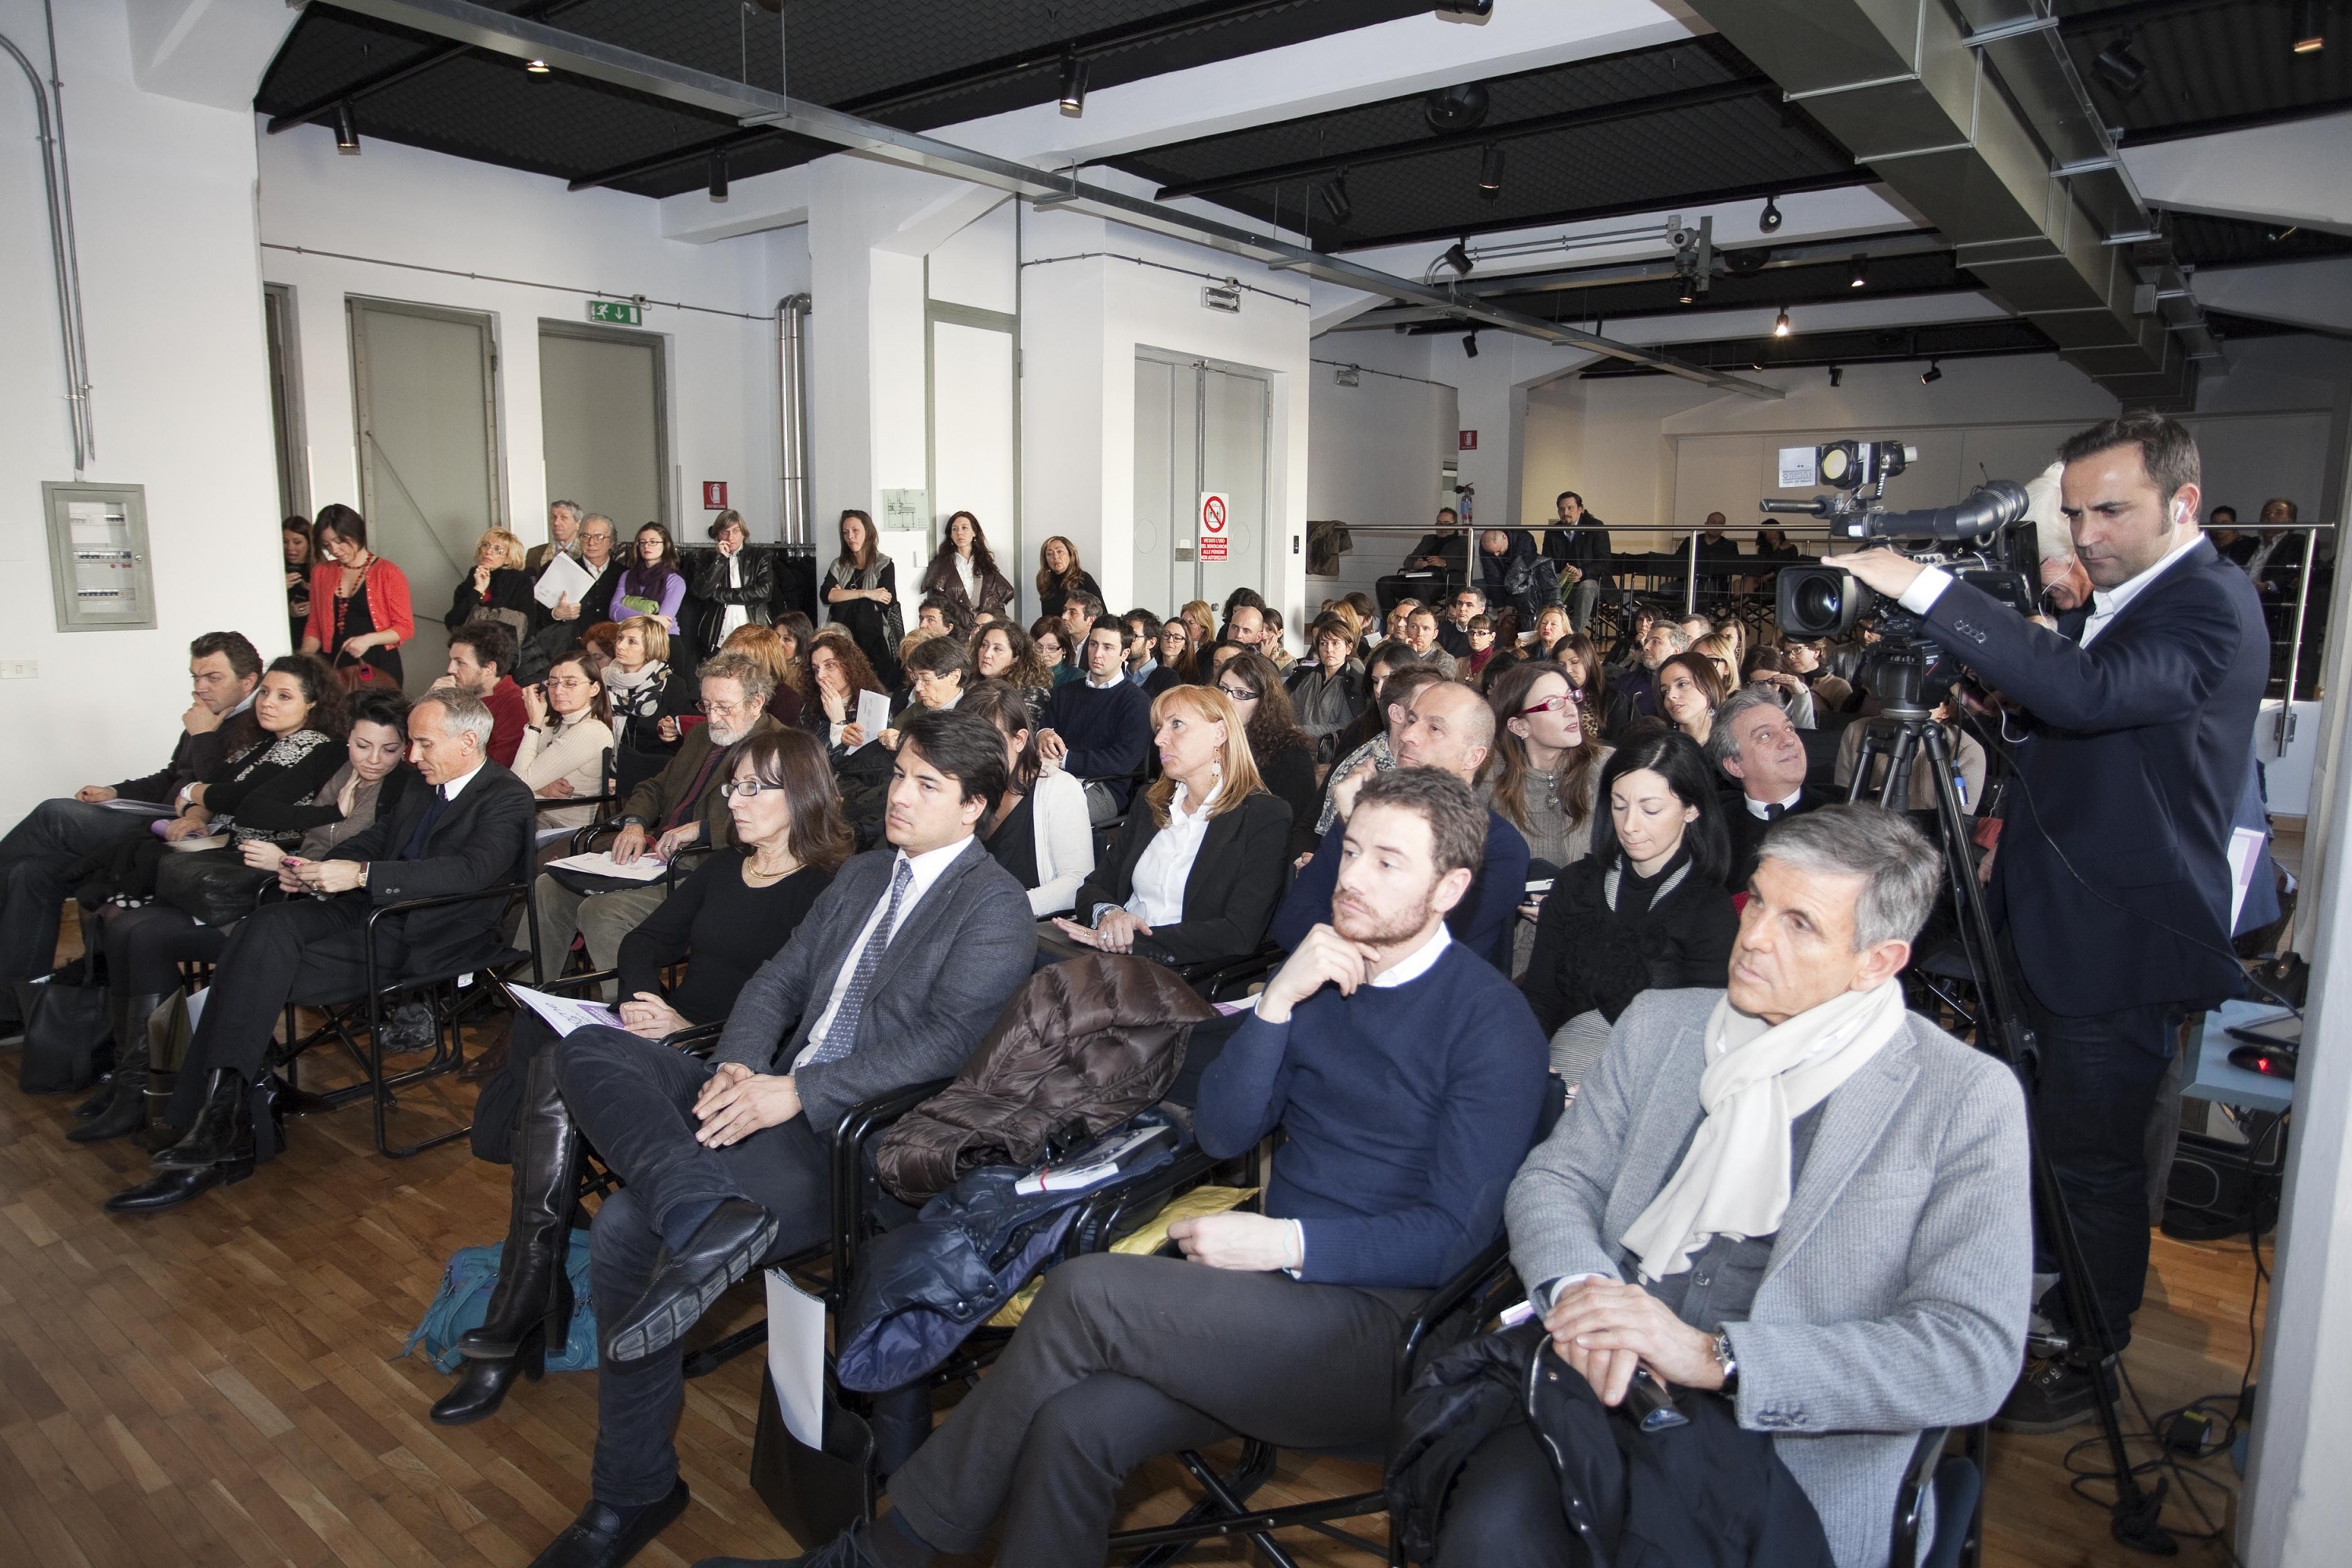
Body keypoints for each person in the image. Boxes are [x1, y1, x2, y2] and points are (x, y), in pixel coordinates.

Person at [768, 768, 1548, 1568]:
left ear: (1449, 888)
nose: (1352, 877)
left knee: (1085, 1293)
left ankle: (881, 1554)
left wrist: (1286, 1241)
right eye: (1351, 851)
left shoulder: (1492, 1025)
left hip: (1389, 1332)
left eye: (1389, 862)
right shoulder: (1321, 980)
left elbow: (1455, 1240)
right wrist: (1276, 1003)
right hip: (1270, 1303)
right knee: (1074, 1424)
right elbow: (1225, 1126)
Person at [527, 708, 1035, 1568]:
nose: (900, 796)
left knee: (622, 1231)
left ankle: (630, 1489)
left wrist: (795, 1092)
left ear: (975, 806)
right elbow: (777, 981)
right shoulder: (865, 873)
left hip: (851, 1139)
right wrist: (736, 1067)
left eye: (927, 785)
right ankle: (698, 1204)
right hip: (766, 1088)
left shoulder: (994, 905)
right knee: (584, 1050)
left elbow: (944, 1045)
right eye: (900, 774)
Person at [1838, 411, 2266, 1423]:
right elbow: (2087, 732)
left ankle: (2090, 1346)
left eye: (2111, 510)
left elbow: (2090, 696)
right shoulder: (2134, 599)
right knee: (2030, 1140)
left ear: (2183, 502)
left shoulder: (2209, 602)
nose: (2087, 534)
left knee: (2092, 1166)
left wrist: (1926, 586)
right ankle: (2020, 1302)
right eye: (2074, 514)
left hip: (2118, 942)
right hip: (2049, 921)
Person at [1483, 805, 2029, 1568]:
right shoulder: (1662, 1025)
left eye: (1800, 923)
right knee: (1487, 1528)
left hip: (1793, 1444)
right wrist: (1584, 1293)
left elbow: (1971, 1353)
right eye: (1760, 901)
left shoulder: (1960, 1097)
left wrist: (1720, 1357)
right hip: (1600, 1388)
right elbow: (1555, 1178)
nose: (1756, 936)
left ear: (1877, 961)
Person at [432, 726, 850, 1425]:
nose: (734, 800)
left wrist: (683, 1027)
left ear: (802, 795)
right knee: (541, 1030)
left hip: (722, 1058)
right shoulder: (724, 868)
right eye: (734, 785)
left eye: (754, 787)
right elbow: (643, 941)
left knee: (553, 1073)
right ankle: (531, 1280)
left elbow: (802, 1016)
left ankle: (524, 1296)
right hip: (663, 1032)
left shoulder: (826, 890)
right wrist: (640, 1001)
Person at [103, 691, 534, 1214]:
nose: (412, 755)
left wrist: (361, 875)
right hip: (374, 909)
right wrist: (318, 869)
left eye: (423, 744)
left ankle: (215, 1124)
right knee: (260, 931)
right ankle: (224, 1120)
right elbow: (377, 839)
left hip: (430, 931)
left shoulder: (506, 796)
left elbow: (470, 872)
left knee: (253, 964)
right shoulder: (426, 784)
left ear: (467, 742)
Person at [73, 683, 402, 1147]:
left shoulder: (401, 788)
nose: (374, 760)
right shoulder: (336, 763)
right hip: (284, 891)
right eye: (363, 745)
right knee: (128, 929)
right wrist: (323, 817)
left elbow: (359, 865)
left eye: (390, 750)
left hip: (312, 908)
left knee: (144, 935)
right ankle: (140, 1087)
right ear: (347, 737)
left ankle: (174, 1094)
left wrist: (288, 863)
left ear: (406, 749)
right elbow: (253, 808)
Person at [0, 632, 264, 1032]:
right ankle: (15, 1010)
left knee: (55, 814)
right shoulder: (207, 714)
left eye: (212, 677)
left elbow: (222, 790)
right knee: (29, 873)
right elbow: (172, 778)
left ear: (248, 681)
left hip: (191, 839)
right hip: (153, 821)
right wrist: (115, 793)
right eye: (195, 677)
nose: (200, 687)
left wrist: (204, 735)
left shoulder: (258, 722)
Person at [533, 653, 780, 981]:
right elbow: (655, 787)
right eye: (706, 706)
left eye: (724, 707)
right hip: (658, 856)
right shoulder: (702, 735)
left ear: (756, 703)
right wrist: (634, 823)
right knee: (548, 887)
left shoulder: (777, 746)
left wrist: (702, 829)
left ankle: (629, 1005)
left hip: (712, 869)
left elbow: (779, 821)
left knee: (602, 912)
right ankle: (530, 994)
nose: (713, 717)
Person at [1521, 728, 1737, 1094]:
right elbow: (1541, 998)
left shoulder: (1709, 912)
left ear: (1692, 809)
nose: (1630, 825)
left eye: (1650, 810)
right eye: (1619, 806)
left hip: (1645, 1088)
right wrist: (1533, 1066)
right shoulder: (1576, 885)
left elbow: (1695, 1044)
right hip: (1555, 1072)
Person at [1279, 677, 1529, 974]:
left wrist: (1329, 944)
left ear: (1473, 757)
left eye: (1434, 728)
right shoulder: (1364, 817)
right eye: (1411, 720)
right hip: (1314, 986)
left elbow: (1417, 952)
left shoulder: (1499, 849)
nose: (1408, 734)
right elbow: (1291, 922)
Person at [1052, 684, 1290, 968]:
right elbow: (1095, 886)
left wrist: (1133, 942)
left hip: (1184, 973)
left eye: (1177, 725)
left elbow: (1239, 933)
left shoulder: (1265, 817)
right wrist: (1111, 916)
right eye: (1159, 728)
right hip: (1114, 959)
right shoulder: (1150, 802)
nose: (1159, 739)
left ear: (1220, 734)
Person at [1483, 661, 1611, 976]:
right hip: (1515, 958)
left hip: (1596, 949)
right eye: (1553, 703)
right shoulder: (1488, 782)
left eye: (1571, 697)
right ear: (1519, 726)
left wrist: (1573, 907)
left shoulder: (1609, 770)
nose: (1570, 710)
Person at [964, 678, 1095, 917]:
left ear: (1020, 740)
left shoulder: (1057, 788)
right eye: (967, 742)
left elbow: (1077, 881)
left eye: (990, 742)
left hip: (1026, 922)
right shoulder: (963, 785)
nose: (976, 753)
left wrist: (1002, 908)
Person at [1708, 687, 1828, 891]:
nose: (1788, 740)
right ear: (1735, 765)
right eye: (1765, 736)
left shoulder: (1841, 812)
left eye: (1789, 728)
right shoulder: (1711, 825)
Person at [1038, 617, 1154, 825]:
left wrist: (1066, 760)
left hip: (1103, 787)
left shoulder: (1137, 702)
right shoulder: (1065, 692)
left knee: (1048, 815)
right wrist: (1043, 734)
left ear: (1124, 654)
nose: (1097, 653)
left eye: (1108, 647)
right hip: (1053, 777)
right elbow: (1044, 726)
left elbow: (1123, 761)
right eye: (1093, 644)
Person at [1214, 652, 1321, 862]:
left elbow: (1293, 826)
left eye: (1241, 694)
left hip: (1257, 854)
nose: (1227, 700)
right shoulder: (1207, 737)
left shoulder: (1291, 752)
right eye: (1223, 689)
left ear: (1264, 702)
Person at [1318, 655, 1443, 835]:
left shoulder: (1442, 761)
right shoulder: (1356, 767)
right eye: (1375, 681)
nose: (1378, 689)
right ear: (1397, 714)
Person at [301, 503, 414, 689]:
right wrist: (303, 659)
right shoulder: (321, 572)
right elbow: (314, 625)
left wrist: (368, 640)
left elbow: (405, 627)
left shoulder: (387, 572)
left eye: (340, 541)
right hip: (333, 664)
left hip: (378, 664)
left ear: (355, 532)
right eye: (327, 545)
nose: (334, 550)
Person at [515, 650, 616, 835]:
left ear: (594, 688)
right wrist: (543, 787)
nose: (558, 691)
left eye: (570, 683)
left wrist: (534, 725)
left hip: (561, 832)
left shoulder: (591, 730)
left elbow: (519, 783)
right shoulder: (550, 723)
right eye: (553, 683)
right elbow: (517, 778)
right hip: (533, 818)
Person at [1833, 702, 1987, 815]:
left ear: (1945, 710)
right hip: (1865, 836)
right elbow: (1842, 806)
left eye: (1920, 699)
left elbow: (1954, 831)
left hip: (1929, 843)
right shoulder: (1858, 731)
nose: (1907, 704)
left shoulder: (1965, 750)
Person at [825, 510, 903, 684]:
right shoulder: (839, 564)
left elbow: (886, 602)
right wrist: (867, 594)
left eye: (855, 531)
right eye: (845, 532)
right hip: (841, 641)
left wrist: (842, 601)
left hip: (875, 642)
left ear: (868, 532)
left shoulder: (884, 564)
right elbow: (827, 595)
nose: (850, 537)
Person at [444, 619, 529, 769]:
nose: (450, 669)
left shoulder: (515, 704)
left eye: (460, 663)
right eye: (451, 661)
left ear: (489, 668)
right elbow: (414, 757)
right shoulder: (455, 695)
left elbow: (496, 766)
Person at [1285, 612, 1369, 762]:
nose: (1329, 649)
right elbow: (1290, 710)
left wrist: (1302, 730)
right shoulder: (1305, 677)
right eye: (1323, 643)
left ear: (1348, 648)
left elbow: (1345, 725)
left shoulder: (1354, 682)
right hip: (1299, 750)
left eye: (1335, 643)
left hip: (1331, 754)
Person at [691, 510, 775, 658]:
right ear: (718, 535)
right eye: (725, 532)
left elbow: (764, 591)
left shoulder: (759, 556)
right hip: (718, 636)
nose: (731, 537)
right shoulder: (706, 558)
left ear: (743, 532)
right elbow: (702, 592)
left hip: (753, 632)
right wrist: (720, 560)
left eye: (736, 531)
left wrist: (719, 594)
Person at [796, 630, 890, 760]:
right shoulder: (811, 707)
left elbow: (866, 763)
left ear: (849, 666)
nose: (820, 675)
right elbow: (801, 754)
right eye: (816, 669)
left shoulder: (874, 706)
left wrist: (839, 722)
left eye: (830, 665)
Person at [601, 616, 687, 757]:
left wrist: (670, 733)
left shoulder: (673, 685)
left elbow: (680, 741)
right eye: (620, 638)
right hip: (604, 763)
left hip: (652, 764)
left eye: (632, 642)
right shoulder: (602, 679)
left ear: (651, 648)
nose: (620, 646)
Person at [921, 510, 1015, 627]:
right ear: (950, 535)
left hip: (983, 629)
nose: (959, 533)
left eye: (964, 528)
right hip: (954, 630)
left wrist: (990, 616)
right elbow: (937, 605)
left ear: (974, 532)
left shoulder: (986, 565)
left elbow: (998, 604)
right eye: (955, 529)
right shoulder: (941, 566)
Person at [1541, 490, 1613, 632]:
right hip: (1563, 582)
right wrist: (1560, 575)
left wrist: (1581, 572)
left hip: (1593, 582)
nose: (1565, 512)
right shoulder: (1552, 532)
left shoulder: (1595, 527)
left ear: (1580, 509)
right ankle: (1546, 632)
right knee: (1541, 586)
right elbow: (1545, 564)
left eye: (1570, 508)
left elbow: (1605, 562)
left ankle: (1575, 635)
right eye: (1562, 509)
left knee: (1586, 587)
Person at [542, 513, 623, 633]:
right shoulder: (562, 570)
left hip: (614, 642)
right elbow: (537, 616)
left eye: (599, 537)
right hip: (572, 642)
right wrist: (556, 614)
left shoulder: (624, 574)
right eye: (586, 536)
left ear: (611, 542)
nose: (591, 542)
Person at [717, 622, 806, 730]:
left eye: (739, 661)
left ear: (764, 664)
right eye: (726, 659)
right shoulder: (720, 688)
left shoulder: (786, 702)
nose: (728, 666)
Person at [446, 528, 535, 633]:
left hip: (504, 642)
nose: (488, 552)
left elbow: (526, 626)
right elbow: (451, 621)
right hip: (468, 641)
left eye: (498, 549)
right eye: (485, 545)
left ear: (508, 558)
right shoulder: (472, 579)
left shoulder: (519, 581)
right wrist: (478, 589)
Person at [971, 619, 1055, 721]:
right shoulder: (968, 682)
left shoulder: (1031, 694)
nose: (987, 654)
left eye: (997, 649)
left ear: (1015, 658)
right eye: (984, 645)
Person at [612, 523, 687, 636]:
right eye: (642, 542)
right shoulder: (627, 576)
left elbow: (661, 623)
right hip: (629, 636)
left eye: (653, 542)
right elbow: (614, 611)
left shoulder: (676, 581)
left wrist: (628, 612)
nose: (646, 546)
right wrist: (649, 617)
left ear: (666, 545)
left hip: (663, 638)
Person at [1656, 649, 1725, 750]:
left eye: (1682, 684)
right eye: (1665, 691)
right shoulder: (1661, 748)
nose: (1670, 696)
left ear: (1708, 684)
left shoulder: (1735, 739)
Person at [1034, 535, 1101, 622]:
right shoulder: (1046, 582)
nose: (1055, 557)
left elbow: (1101, 614)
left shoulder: (1083, 579)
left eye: (1060, 552)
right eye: (1049, 554)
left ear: (1070, 554)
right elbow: (1046, 618)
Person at [1141, 616, 1198, 700]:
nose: (1170, 640)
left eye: (1177, 638)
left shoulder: (1193, 676)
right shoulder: (1149, 668)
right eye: (1166, 635)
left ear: (1185, 645)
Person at [526, 500, 585, 574]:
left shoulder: (588, 552)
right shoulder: (534, 554)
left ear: (578, 524)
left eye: (563, 518)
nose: (556, 523)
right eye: (553, 517)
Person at [1403, 605, 1459, 680]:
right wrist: (1405, 653)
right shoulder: (1397, 654)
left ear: (1435, 634)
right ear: (1406, 629)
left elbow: (1434, 685)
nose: (1420, 634)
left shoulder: (1446, 659)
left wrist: (1412, 657)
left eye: (1426, 628)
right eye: (1414, 627)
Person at [283, 516, 314, 650]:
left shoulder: (321, 569)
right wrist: (278, 589)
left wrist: (317, 602)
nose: (290, 548)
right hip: (287, 639)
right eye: (285, 542)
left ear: (309, 543)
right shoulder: (274, 570)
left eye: (297, 542)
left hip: (316, 642)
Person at [1029, 618, 1080, 688]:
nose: (1043, 654)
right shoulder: (1023, 673)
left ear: (1064, 649)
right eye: (1038, 647)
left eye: (1051, 648)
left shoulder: (1076, 677)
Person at [1121, 608, 1163, 685]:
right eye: (1124, 634)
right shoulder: (1117, 674)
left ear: (1151, 643)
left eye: (1134, 635)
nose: (1126, 640)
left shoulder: (1165, 678)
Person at [1439, 585, 1483, 659]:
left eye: (1469, 605)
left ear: (1481, 611)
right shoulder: (1442, 630)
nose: (1462, 608)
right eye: (1459, 603)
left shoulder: (1487, 634)